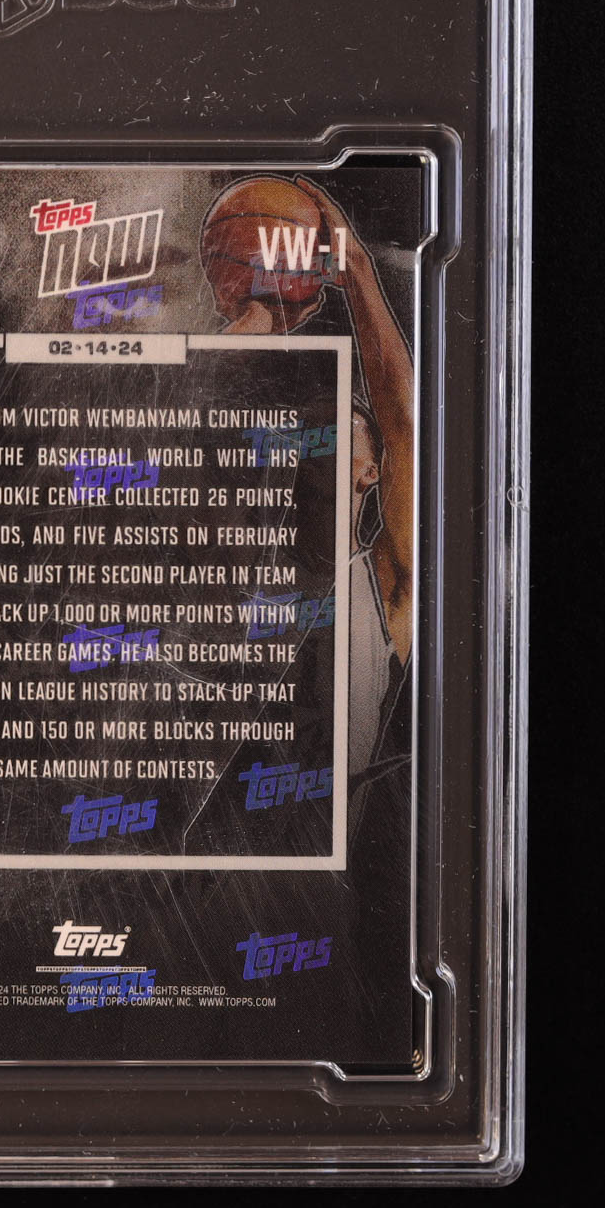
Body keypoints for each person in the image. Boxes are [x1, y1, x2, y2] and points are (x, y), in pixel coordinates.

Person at [207, 175, 414, 812]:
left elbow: (403, 420)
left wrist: (356, 271)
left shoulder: (389, 583)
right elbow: (192, 410)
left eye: (338, 424)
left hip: (320, 859)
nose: (313, 435)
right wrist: (260, 312)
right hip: (220, 849)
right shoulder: (244, 570)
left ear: (372, 470)